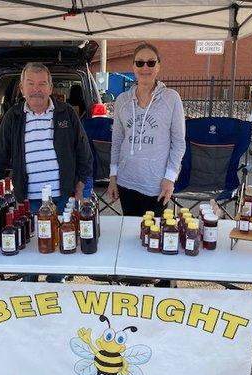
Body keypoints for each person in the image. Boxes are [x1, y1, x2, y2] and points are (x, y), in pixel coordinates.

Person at [0, 62, 93, 282]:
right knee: (30, 254)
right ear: (22, 89)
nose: (37, 89)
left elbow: (84, 151)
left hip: (62, 198)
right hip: (28, 200)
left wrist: (82, 184)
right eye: (31, 84)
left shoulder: (66, 114)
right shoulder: (13, 117)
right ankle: (30, 293)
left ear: (51, 88)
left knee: (60, 253)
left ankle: (55, 290)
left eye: (42, 83)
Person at [107, 43, 186, 287]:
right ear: (133, 67)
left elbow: (179, 142)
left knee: (159, 238)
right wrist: (113, 177)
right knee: (133, 239)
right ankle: (135, 286)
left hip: (157, 184)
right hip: (128, 182)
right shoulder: (121, 100)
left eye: (151, 62)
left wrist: (170, 177)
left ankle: (163, 288)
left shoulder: (171, 99)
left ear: (158, 66)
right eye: (140, 63)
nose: (145, 68)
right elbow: (118, 140)